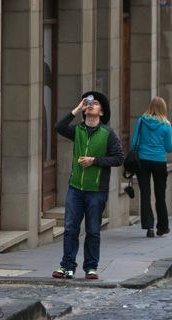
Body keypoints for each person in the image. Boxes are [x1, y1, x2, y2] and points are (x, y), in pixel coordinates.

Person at [52, 91, 124, 280]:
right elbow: (59, 126)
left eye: (96, 103)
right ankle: (66, 266)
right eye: (89, 103)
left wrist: (95, 161)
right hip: (75, 188)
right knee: (70, 229)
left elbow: (118, 158)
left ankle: (91, 267)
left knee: (92, 230)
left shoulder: (107, 134)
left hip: (96, 190)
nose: (91, 105)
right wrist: (76, 109)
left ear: (101, 112)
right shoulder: (77, 131)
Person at [131, 97, 172, 238]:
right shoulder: (166, 125)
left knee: (145, 194)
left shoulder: (141, 121)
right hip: (159, 162)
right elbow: (169, 148)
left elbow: (133, 143)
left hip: (143, 160)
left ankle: (148, 226)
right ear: (163, 108)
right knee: (160, 195)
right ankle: (162, 227)